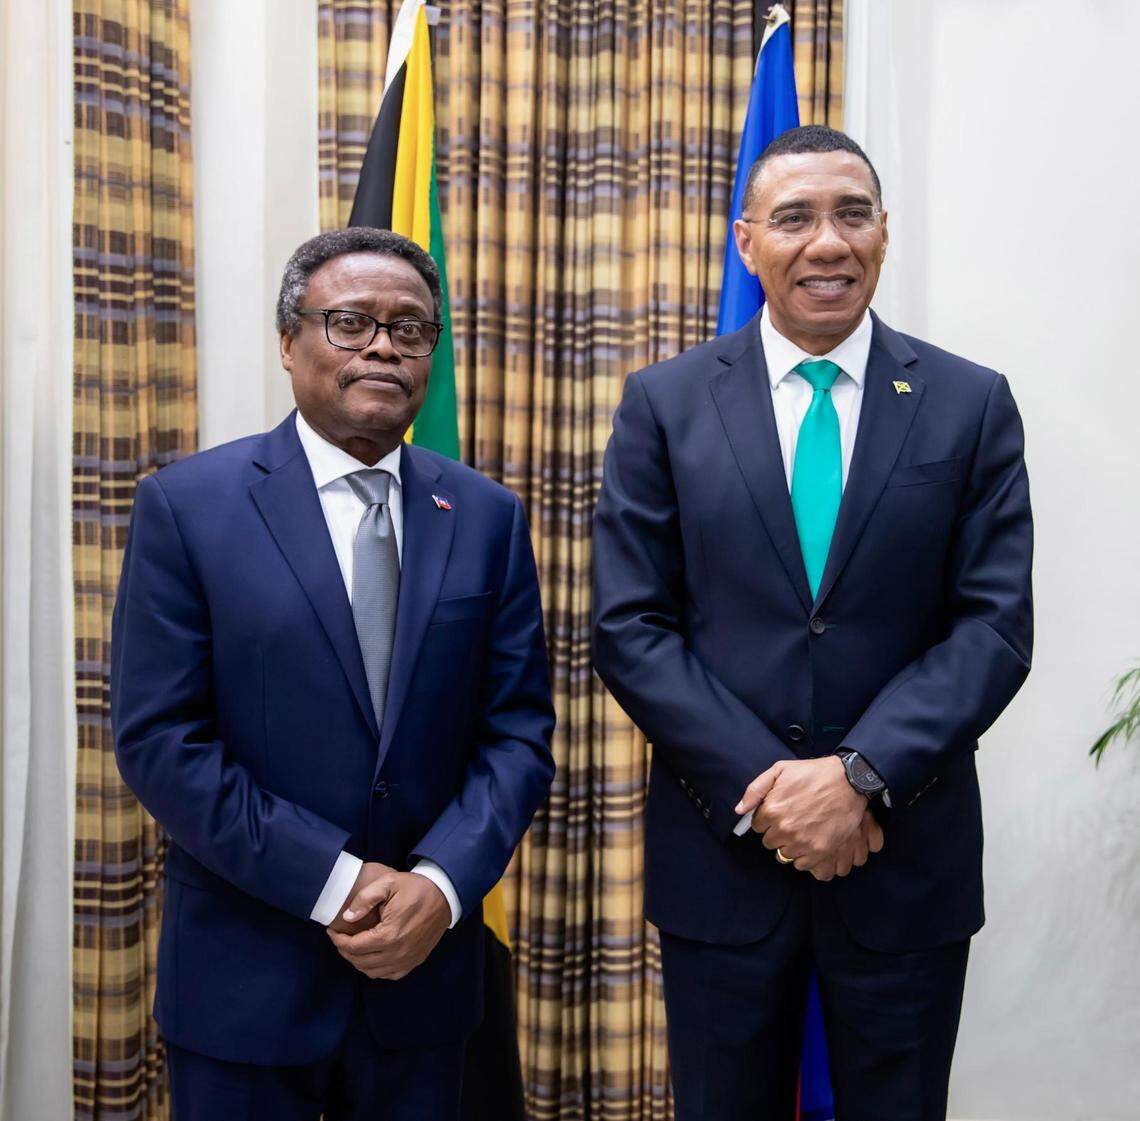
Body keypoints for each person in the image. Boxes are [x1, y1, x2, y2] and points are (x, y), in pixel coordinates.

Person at [592, 125, 1032, 1121]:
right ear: (746, 241)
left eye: (852, 214)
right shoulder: (664, 404)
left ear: (885, 232)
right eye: (794, 217)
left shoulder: (970, 404)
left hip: (904, 859)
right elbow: (631, 625)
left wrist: (857, 775)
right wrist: (779, 792)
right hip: (725, 859)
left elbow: (993, 626)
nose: (827, 241)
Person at [112, 227, 555, 1121]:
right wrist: (336, 879)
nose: (384, 346)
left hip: (425, 979)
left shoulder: (486, 515)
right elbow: (161, 741)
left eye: (410, 328)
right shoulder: (188, 507)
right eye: (351, 322)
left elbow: (517, 735)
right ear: (289, 341)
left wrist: (440, 884)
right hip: (245, 980)